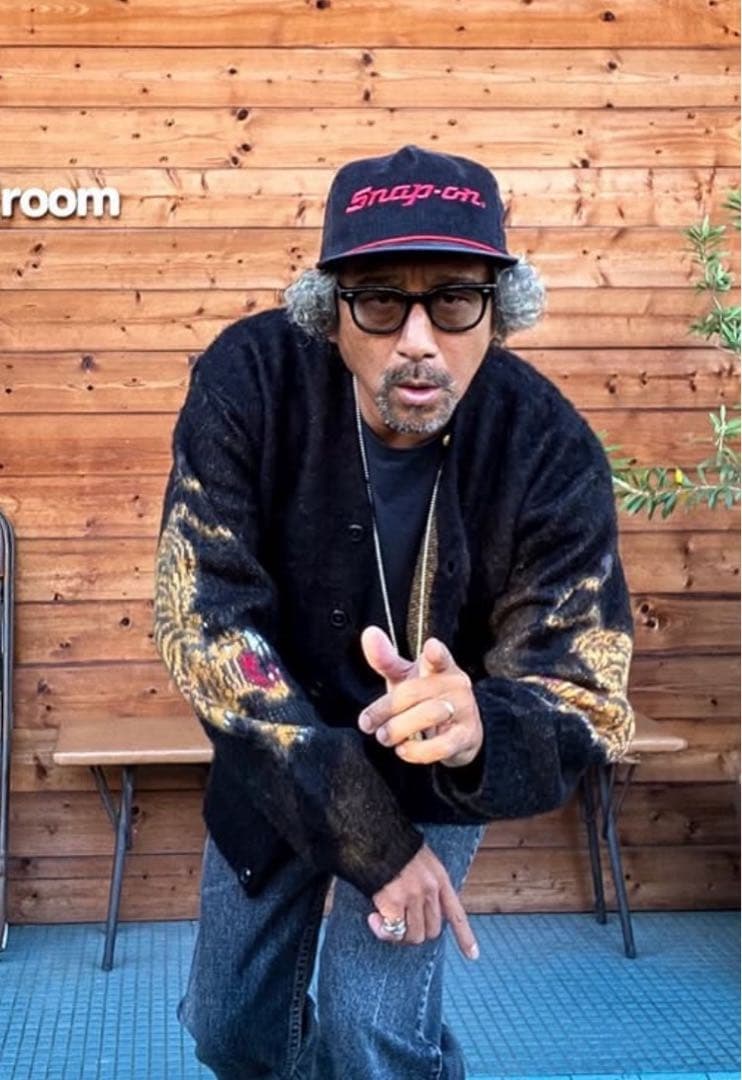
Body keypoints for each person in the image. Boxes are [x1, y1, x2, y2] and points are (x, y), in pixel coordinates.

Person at [153, 144, 635, 1080]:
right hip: (280, 745)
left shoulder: (549, 447)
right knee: (227, 1027)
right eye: (379, 300)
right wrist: (371, 844)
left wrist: (481, 724)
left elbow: (587, 691)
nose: (418, 338)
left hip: (436, 768)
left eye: (453, 300)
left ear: (499, 309)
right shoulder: (249, 381)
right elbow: (202, 621)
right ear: (329, 311)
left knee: (373, 1033)